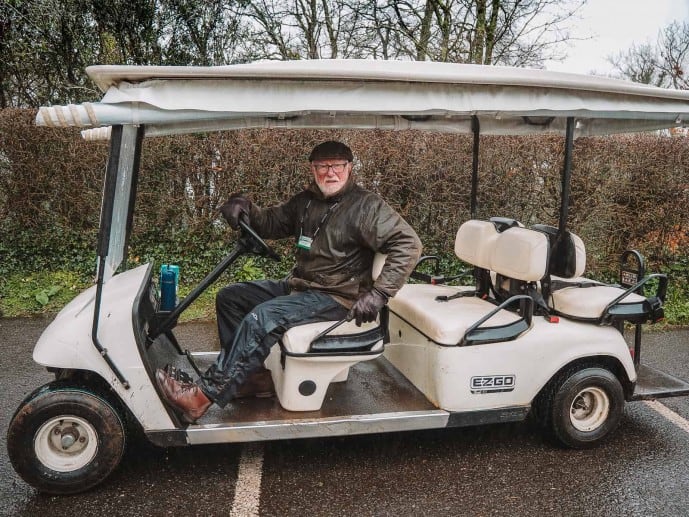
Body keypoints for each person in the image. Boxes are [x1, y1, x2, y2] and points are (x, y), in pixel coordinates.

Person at [156, 141, 422, 422]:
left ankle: (201, 398)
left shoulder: (366, 206)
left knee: (263, 317)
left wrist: (380, 293)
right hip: (302, 288)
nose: (330, 173)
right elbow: (271, 223)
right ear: (313, 169)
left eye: (337, 166)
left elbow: (409, 243)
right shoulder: (306, 202)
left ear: (349, 168)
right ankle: (253, 381)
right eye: (322, 167)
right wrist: (245, 207)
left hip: (337, 297)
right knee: (231, 297)